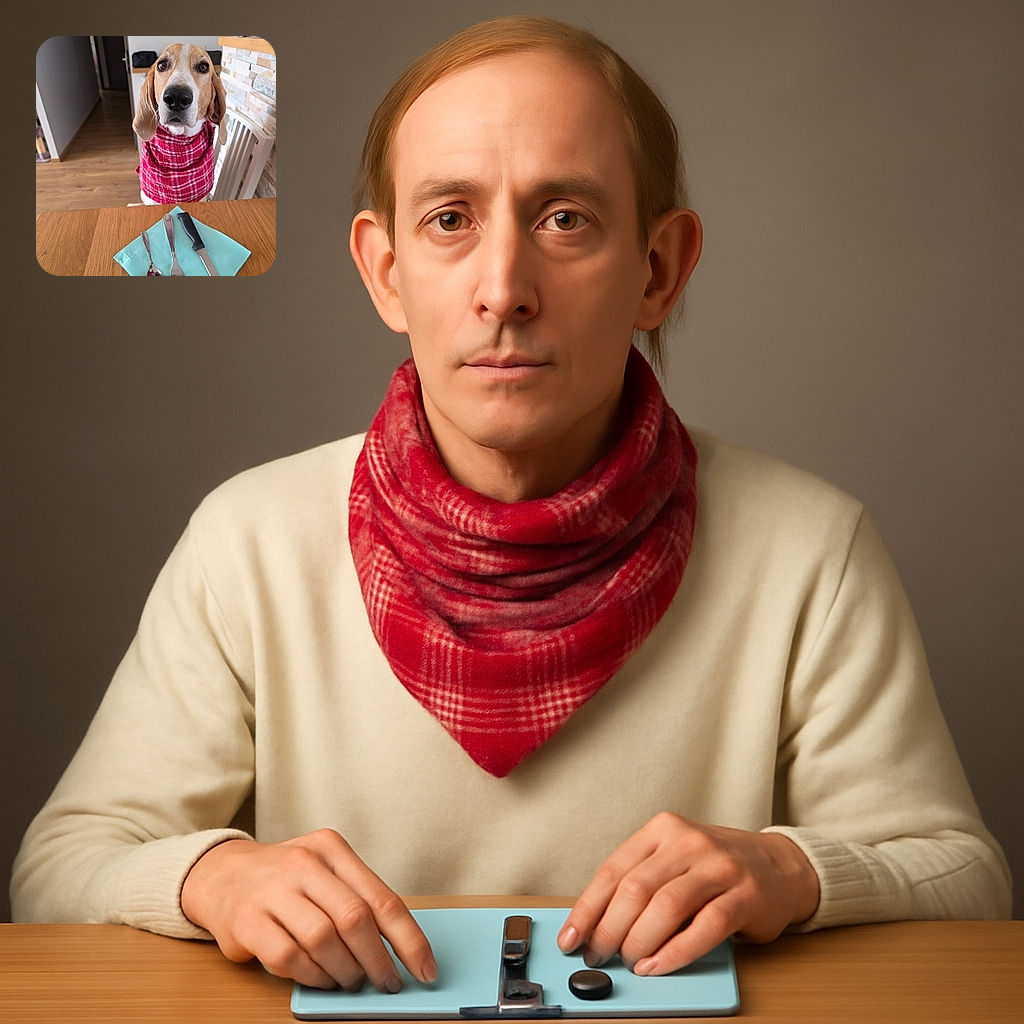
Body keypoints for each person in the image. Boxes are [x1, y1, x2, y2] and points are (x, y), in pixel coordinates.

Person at [11, 15, 1010, 995]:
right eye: (450, 218)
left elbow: (966, 880)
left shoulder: (809, 549)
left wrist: (794, 871)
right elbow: (56, 869)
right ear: (386, 271)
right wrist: (209, 875)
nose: (503, 288)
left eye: (563, 218)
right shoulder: (250, 541)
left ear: (657, 268)